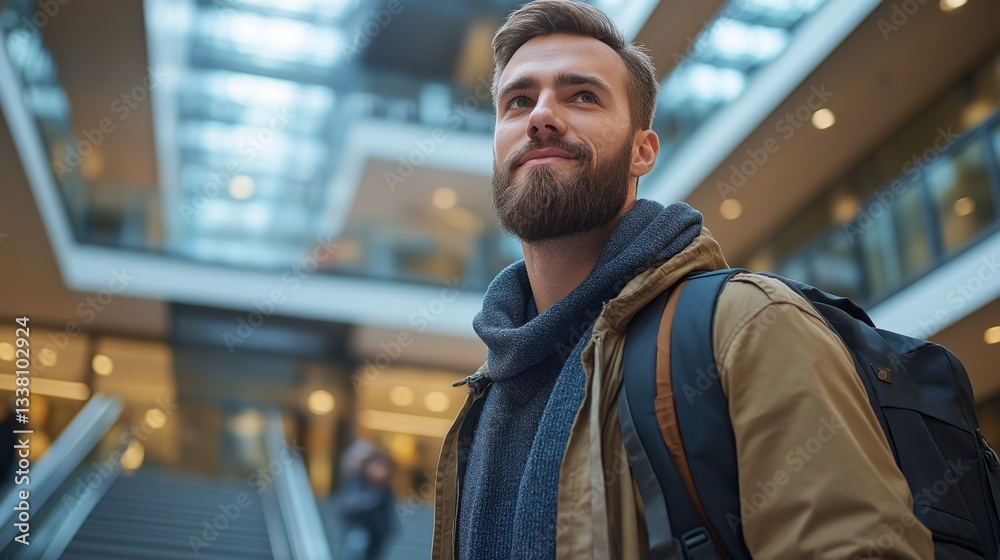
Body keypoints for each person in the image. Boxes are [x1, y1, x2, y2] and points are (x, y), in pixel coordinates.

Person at [431, 1, 934, 559]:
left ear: (641, 152)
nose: (541, 117)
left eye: (582, 96)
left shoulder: (748, 325)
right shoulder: (488, 392)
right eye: (519, 101)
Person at [334, 448, 397, 560]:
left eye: (383, 467)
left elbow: (388, 513)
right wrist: (370, 500)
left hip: (378, 535)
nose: (379, 471)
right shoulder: (356, 481)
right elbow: (347, 504)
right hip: (358, 530)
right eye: (377, 466)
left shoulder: (385, 489)